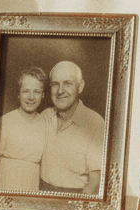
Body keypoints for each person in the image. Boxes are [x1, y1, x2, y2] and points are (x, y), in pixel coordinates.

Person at [39, 61, 105, 195]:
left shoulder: (95, 123)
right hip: (41, 192)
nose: (60, 91)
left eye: (68, 84)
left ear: (80, 87)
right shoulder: (45, 116)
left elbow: (95, 182)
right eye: (55, 84)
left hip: (74, 196)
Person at [0, 67, 49, 190]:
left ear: (43, 95)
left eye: (37, 92)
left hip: (31, 183)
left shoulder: (46, 124)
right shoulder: (5, 121)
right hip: (6, 182)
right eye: (25, 91)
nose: (31, 97)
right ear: (18, 94)